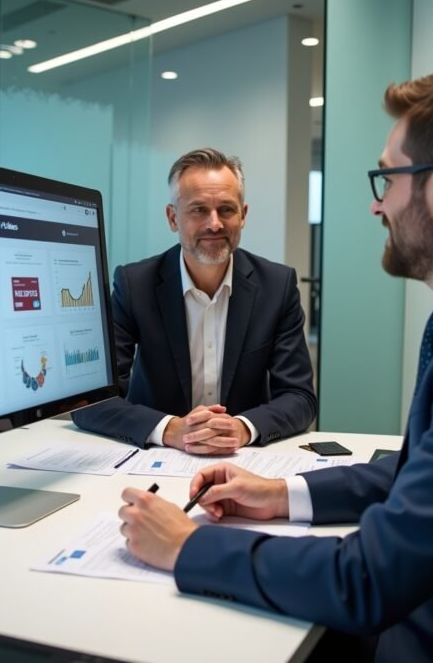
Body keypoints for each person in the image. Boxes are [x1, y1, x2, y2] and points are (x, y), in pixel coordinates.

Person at [117, 62, 433, 662]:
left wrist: (188, 546)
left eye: (388, 179)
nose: (379, 208)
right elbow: (423, 472)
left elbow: (371, 578)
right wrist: (280, 493)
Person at [72, 148, 316, 455]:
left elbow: (299, 397)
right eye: (198, 210)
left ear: (243, 215)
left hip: (244, 460)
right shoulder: (135, 285)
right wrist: (170, 430)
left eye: (226, 209)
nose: (214, 224)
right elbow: (91, 401)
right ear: (173, 218)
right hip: (156, 458)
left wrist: (240, 428)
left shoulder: (277, 286)